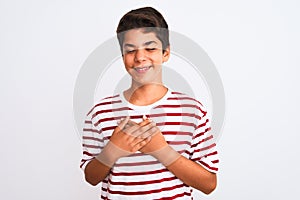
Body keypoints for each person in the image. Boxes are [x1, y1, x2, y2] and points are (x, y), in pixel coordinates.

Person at [80, 6, 219, 199]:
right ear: (122, 56)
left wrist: (161, 150)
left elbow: (209, 184)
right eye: (130, 50)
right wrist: (112, 150)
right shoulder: (100, 113)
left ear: (166, 53)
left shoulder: (192, 111)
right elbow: (91, 177)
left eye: (150, 48)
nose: (140, 57)